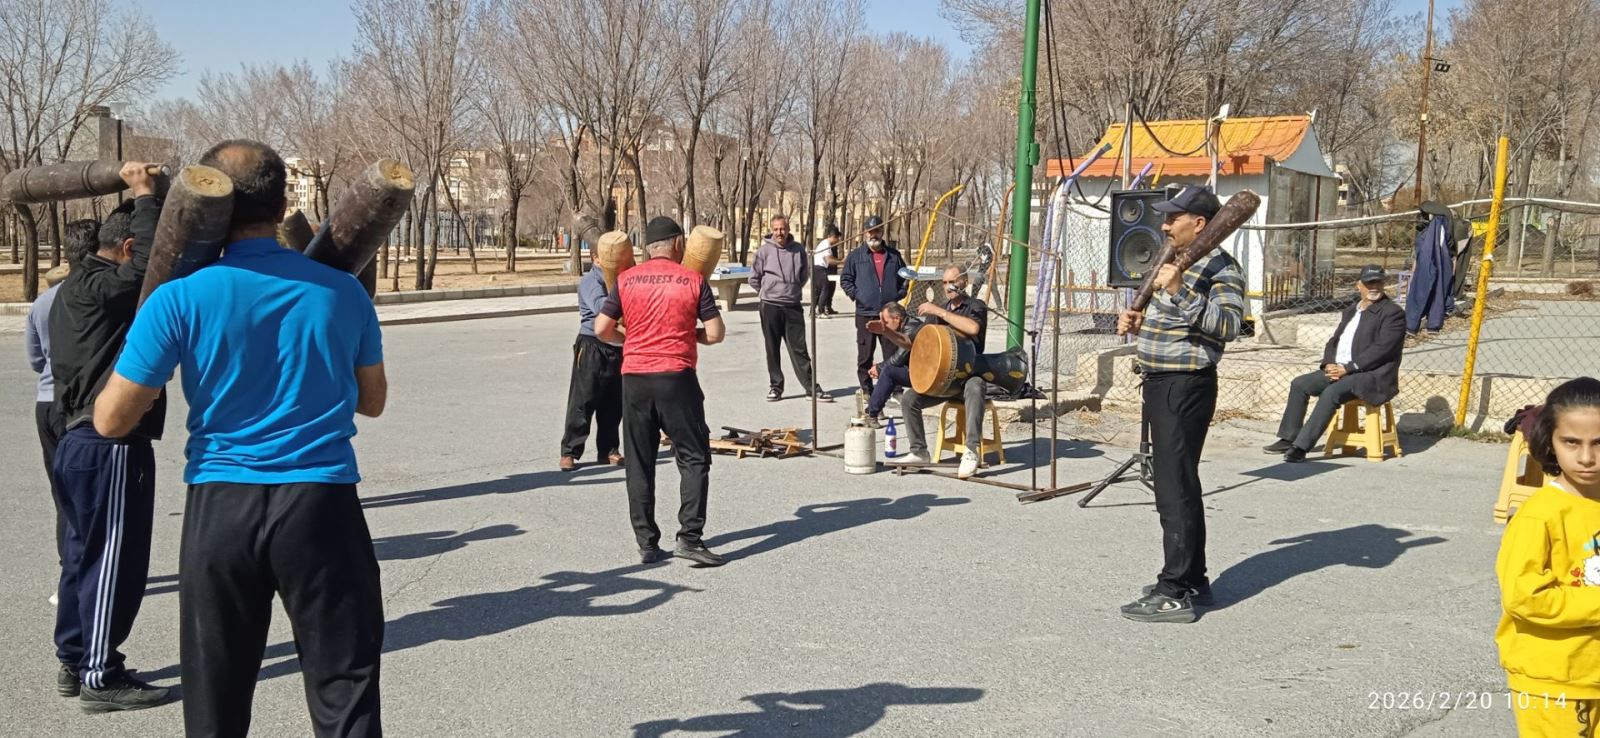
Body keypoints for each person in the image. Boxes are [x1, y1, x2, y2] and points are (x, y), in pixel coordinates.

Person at [95, 140, 386, 736]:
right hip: (321, 502)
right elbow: (373, 401)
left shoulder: (178, 296)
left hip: (221, 502)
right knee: (344, 686)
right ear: (281, 208)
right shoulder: (342, 290)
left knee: (216, 695)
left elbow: (112, 421)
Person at [47, 164, 170, 712]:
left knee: (82, 557)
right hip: (108, 445)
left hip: (78, 443)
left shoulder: (75, 288)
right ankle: (100, 674)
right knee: (112, 562)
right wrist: (144, 195)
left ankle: (75, 660)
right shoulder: (103, 285)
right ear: (126, 247)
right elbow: (148, 267)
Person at [1113, 184, 1245, 624]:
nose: (1165, 225)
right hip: (1161, 383)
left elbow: (1229, 326)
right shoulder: (1178, 261)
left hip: (1185, 385)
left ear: (1200, 224)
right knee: (1177, 483)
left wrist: (1179, 291)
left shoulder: (1222, 268)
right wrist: (1139, 319)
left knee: (1174, 489)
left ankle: (1174, 591)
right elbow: (1174, 320)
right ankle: (1194, 579)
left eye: (1174, 218)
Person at [596, 216, 729, 567]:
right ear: (678, 244)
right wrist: (689, 334)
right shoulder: (692, 280)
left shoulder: (625, 280)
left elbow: (601, 328)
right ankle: (689, 538)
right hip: (676, 378)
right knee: (694, 456)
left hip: (635, 379)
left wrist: (630, 339)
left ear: (648, 248)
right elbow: (716, 333)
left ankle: (647, 543)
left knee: (640, 461)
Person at [1495, 377, 1600, 735]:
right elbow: (1525, 597)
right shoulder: (1539, 516)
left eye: (1599, 443)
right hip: (1553, 679)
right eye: (1571, 442)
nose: (1586, 458)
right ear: (1550, 442)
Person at [1264, 264, 1405, 462]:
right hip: (1342, 370)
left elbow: (1383, 349)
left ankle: (1301, 447)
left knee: (1331, 392)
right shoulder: (1351, 311)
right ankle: (1288, 438)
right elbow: (1334, 341)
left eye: (1378, 283)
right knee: (1300, 384)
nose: (1374, 287)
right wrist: (1329, 363)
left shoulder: (1392, 313)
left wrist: (1348, 368)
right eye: (1369, 283)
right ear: (1359, 285)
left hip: (1371, 376)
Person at [887, 266, 990, 479]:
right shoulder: (939, 311)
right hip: (944, 380)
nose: (947, 287)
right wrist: (888, 332)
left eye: (952, 282)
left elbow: (973, 329)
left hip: (967, 377)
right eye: (944, 283)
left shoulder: (975, 306)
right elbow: (914, 343)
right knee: (910, 399)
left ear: (964, 282)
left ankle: (971, 451)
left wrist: (940, 312)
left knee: (976, 386)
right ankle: (919, 452)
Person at [26, 263, 70, 603]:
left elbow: (35, 360)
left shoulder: (39, 305)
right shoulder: (83, 297)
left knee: (61, 491)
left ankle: (66, 567)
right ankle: (81, 568)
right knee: (84, 490)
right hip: (75, 401)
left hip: (46, 401)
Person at [749, 214, 827, 402]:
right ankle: (776, 387)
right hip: (770, 306)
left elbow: (803, 276)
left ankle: (811, 388)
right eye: (776, 229)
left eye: (782, 229)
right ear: (771, 230)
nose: (779, 233)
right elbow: (754, 278)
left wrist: (791, 290)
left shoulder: (798, 250)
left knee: (799, 349)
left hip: (792, 306)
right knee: (772, 348)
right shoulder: (764, 251)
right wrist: (767, 291)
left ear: (788, 229)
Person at [559, 255, 625, 472]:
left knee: (613, 402)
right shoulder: (591, 281)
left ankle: (608, 450)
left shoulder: (620, 277)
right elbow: (601, 307)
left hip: (617, 346)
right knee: (583, 401)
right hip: (592, 346)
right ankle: (570, 451)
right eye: (609, 253)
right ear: (596, 257)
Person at [840, 216, 907, 395]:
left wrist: (898, 295)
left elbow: (905, 278)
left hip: (889, 315)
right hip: (865, 314)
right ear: (865, 233)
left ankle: (895, 390)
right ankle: (867, 390)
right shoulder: (856, 256)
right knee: (865, 355)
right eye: (870, 231)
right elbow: (845, 279)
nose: (873, 235)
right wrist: (858, 296)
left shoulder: (894, 256)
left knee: (893, 354)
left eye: (876, 231)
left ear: (882, 232)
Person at [862, 302, 923, 423]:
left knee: (889, 372)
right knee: (888, 371)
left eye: (885, 321)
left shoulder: (912, 329)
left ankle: (872, 413)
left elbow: (899, 358)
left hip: (923, 374)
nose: (884, 325)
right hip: (917, 369)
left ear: (897, 318)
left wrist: (879, 368)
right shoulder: (905, 325)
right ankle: (873, 410)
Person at [811, 223, 843, 316]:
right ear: (833, 237)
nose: (838, 241)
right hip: (819, 268)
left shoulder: (826, 244)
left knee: (818, 291)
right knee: (825, 289)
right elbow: (829, 260)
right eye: (837, 238)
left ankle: (812, 312)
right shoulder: (826, 244)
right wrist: (842, 262)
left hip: (818, 268)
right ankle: (820, 311)